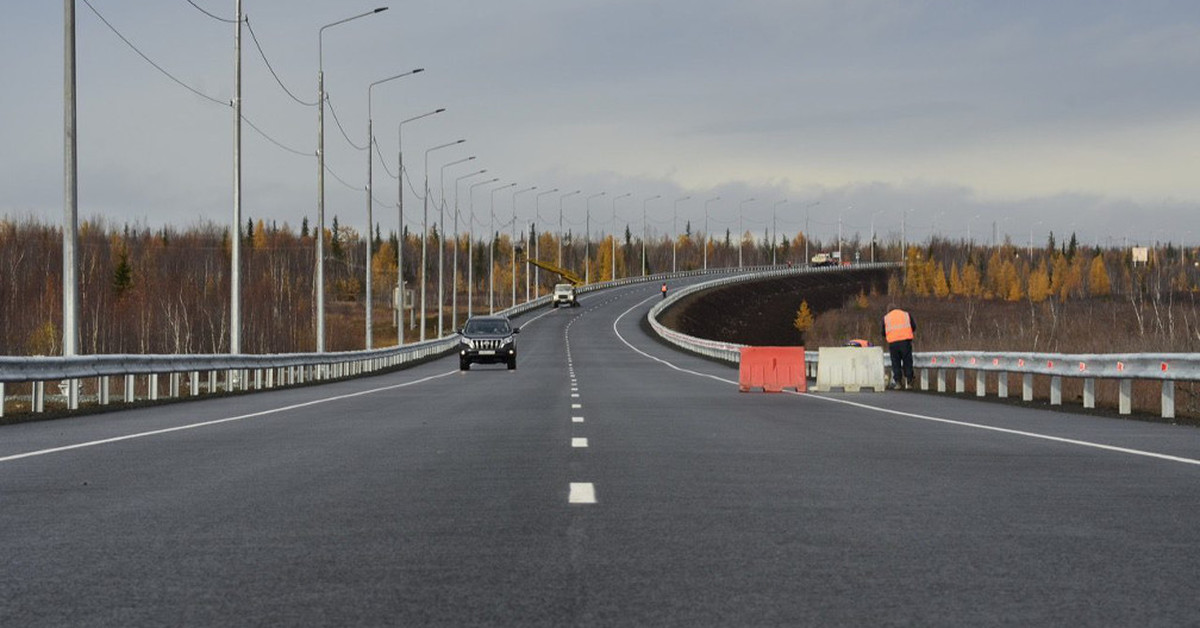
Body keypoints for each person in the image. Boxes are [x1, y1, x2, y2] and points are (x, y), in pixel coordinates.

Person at [881, 304, 915, 389]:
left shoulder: (886, 317)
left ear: (889, 310)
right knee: (907, 361)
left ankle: (898, 382)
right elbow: (913, 327)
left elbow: (883, 332)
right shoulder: (906, 314)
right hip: (905, 341)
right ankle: (909, 381)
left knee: (895, 363)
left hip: (893, 343)